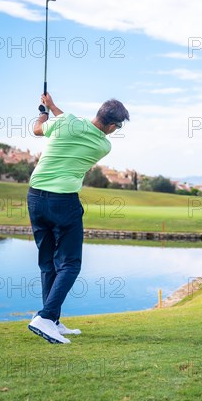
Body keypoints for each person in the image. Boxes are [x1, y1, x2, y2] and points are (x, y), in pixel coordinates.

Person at [27, 92, 129, 344]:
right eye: (118, 126)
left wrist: (45, 111)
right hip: (63, 202)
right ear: (113, 126)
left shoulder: (68, 122)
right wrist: (54, 109)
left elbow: (38, 129)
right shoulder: (104, 145)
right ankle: (45, 317)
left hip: (35, 198)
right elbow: (77, 128)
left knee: (47, 261)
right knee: (70, 263)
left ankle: (53, 319)